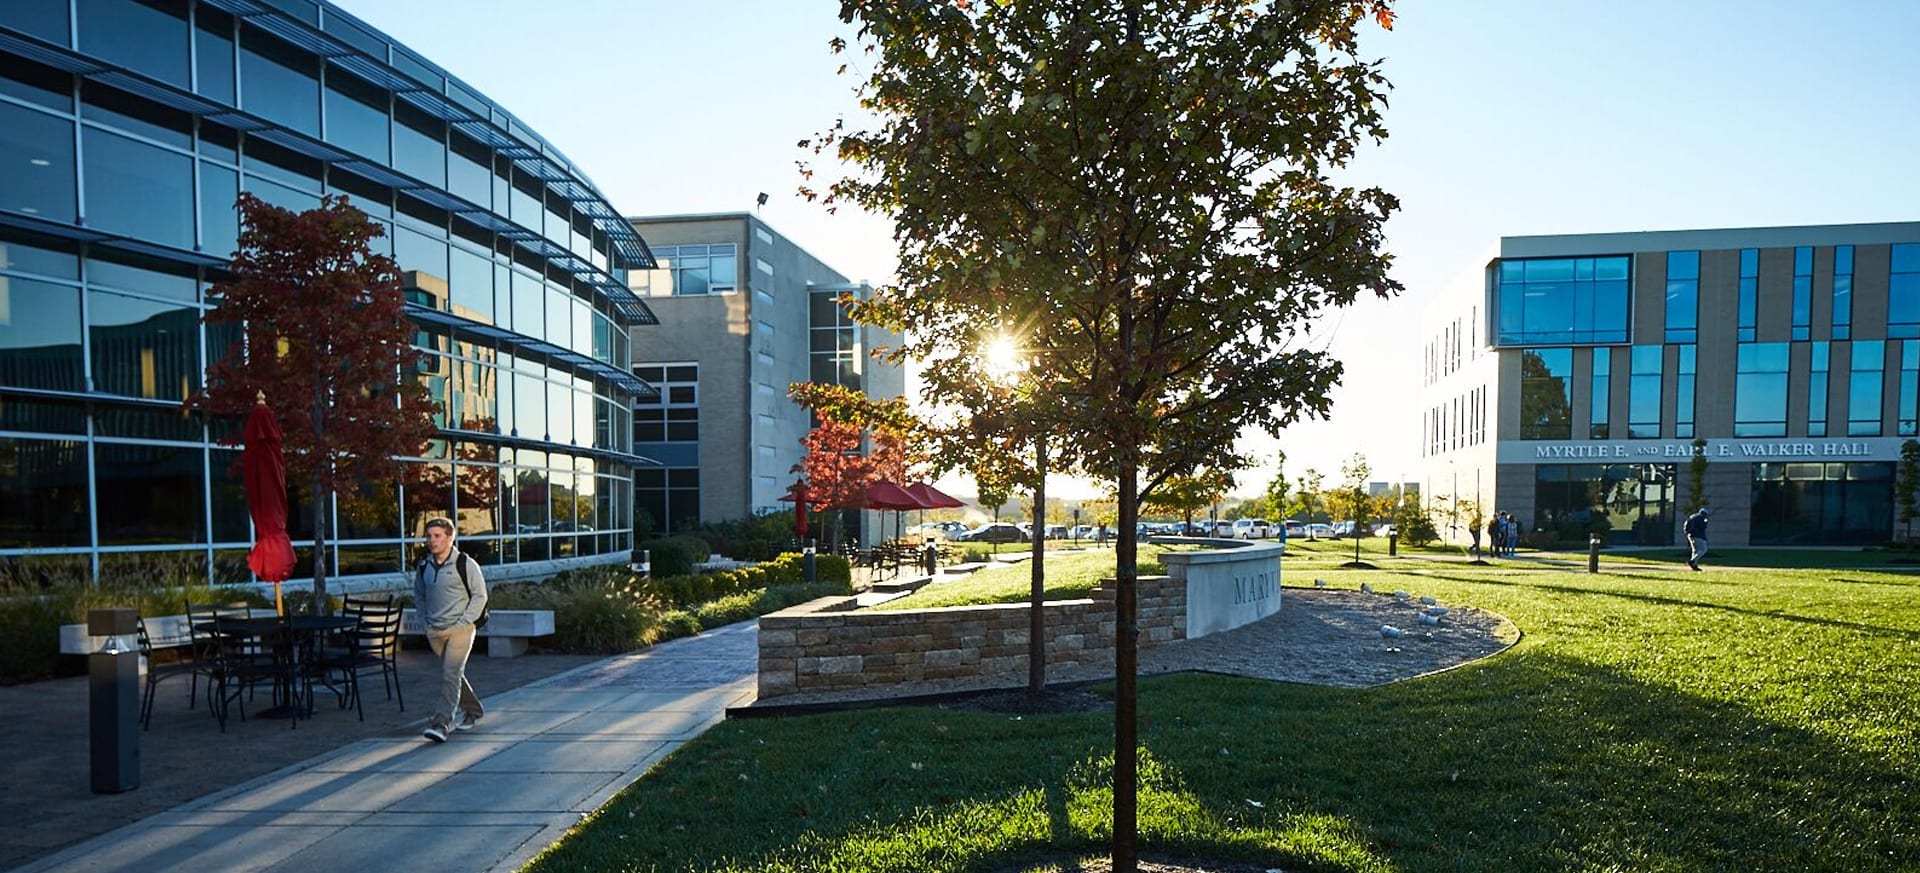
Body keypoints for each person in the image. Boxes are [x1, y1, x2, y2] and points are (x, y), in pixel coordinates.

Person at [414, 517, 487, 742]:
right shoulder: (424, 566)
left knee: (450, 674)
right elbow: (419, 596)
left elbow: (480, 596)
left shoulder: (465, 564)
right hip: (435, 631)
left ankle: (441, 723)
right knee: (453, 674)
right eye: (429, 536)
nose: (431, 541)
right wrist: (424, 622)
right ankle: (473, 710)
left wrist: (464, 622)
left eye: (437, 536)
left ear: (449, 537)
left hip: (460, 631)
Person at [1683, 506, 1710, 571]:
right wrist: (1706, 522)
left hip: (1690, 535)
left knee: (1695, 551)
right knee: (1703, 549)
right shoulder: (1702, 518)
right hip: (1699, 536)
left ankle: (1694, 565)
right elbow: (1702, 527)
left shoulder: (1692, 516)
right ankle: (1692, 561)